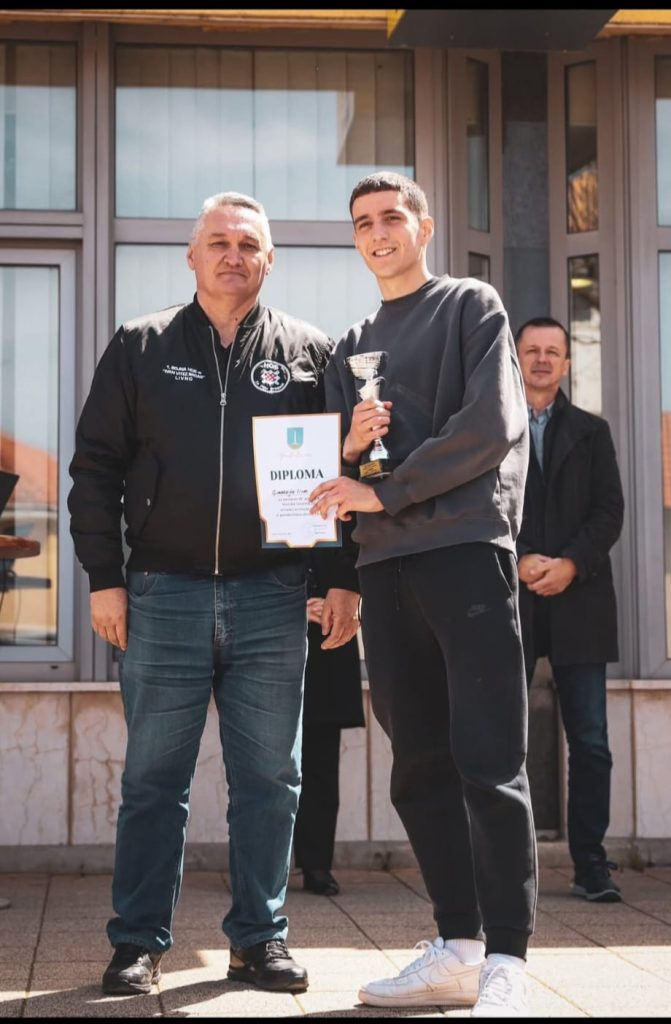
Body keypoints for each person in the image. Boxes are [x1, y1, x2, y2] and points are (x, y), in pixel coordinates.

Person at [68, 191, 360, 998]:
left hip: (274, 596)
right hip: (163, 594)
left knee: (270, 779)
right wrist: (105, 579)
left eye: (249, 244)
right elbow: (94, 469)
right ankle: (136, 943)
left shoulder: (309, 354)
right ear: (193, 256)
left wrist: (341, 578)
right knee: (152, 781)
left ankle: (259, 940)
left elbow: (342, 479)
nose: (234, 255)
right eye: (220, 242)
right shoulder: (141, 345)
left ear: (270, 260)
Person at [309, 171, 537, 1018]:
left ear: (423, 226)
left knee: (488, 761)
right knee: (417, 765)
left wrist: (387, 489)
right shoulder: (351, 344)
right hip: (384, 568)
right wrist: (348, 450)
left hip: (464, 552)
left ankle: (508, 957)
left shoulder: (469, 305)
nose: (377, 233)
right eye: (362, 222)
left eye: (390, 217)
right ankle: (458, 946)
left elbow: (492, 425)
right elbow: (338, 479)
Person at [514, 316, 625, 903]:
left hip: (580, 600)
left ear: (566, 362)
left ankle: (591, 865)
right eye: (531, 350)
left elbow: (610, 511)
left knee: (591, 741)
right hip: (513, 598)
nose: (541, 359)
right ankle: (508, 868)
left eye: (551, 351)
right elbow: (483, 503)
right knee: (502, 740)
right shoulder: (495, 428)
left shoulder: (592, 431)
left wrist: (570, 564)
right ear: (516, 358)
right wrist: (520, 558)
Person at [294, 548, 365, 897]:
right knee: (257, 761)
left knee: (321, 758)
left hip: (328, 634)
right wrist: (294, 605)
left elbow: (354, 550)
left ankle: (317, 864)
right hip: (270, 627)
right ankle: (256, 867)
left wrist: (341, 596)